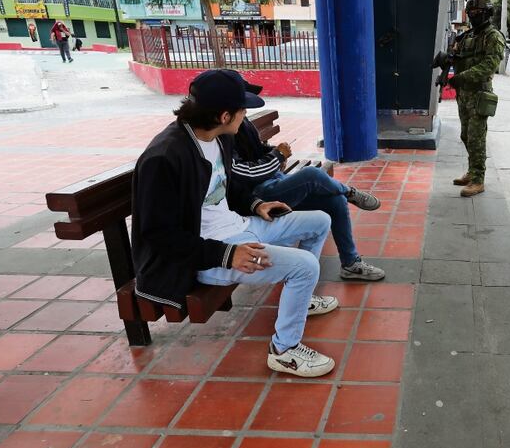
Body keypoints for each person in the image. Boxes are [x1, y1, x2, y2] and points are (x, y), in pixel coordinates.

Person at [131, 69, 340, 378]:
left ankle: (303, 299)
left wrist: (257, 204)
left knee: (320, 221)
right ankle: (284, 351)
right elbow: (158, 235)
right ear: (225, 115)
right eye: (243, 110)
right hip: (206, 255)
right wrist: (227, 255)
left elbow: (226, 188)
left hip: (240, 225)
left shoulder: (218, 138)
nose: (246, 115)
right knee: (305, 266)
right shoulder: (164, 158)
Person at [229, 79, 386, 282]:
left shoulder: (242, 122)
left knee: (335, 201)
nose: (245, 110)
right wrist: (277, 157)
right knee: (312, 175)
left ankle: (350, 263)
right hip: (256, 197)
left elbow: (258, 151)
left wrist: (276, 153)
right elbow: (244, 172)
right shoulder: (222, 134)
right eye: (243, 105)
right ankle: (349, 192)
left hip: (272, 181)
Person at [451, 0, 505, 197]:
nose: (474, 16)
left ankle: (478, 179)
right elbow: (458, 56)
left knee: (476, 138)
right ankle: (472, 171)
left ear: (487, 14)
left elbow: (489, 66)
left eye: (477, 13)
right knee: (466, 135)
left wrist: (462, 77)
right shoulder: (467, 36)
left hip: (480, 94)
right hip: (464, 94)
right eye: (471, 13)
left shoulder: (493, 37)